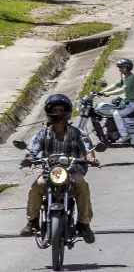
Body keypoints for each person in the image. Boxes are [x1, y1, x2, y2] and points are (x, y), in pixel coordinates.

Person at [20, 94, 98, 243]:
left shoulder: (77, 133)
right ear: (49, 112)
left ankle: (84, 223)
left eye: (61, 109)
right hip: (50, 172)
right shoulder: (43, 133)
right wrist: (29, 158)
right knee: (37, 186)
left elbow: (87, 149)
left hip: (72, 171)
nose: (57, 113)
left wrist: (91, 159)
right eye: (54, 110)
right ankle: (33, 221)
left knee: (82, 185)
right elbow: (33, 150)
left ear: (67, 111)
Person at [101, 59, 134, 144]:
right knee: (112, 107)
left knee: (116, 114)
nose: (120, 69)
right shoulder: (125, 77)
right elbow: (116, 85)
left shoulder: (131, 78)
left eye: (122, 67)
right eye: (119, 67)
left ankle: (124, 135)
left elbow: (123, 90)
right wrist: (103, 91)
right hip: (129, 101)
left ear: (128, 67)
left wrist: (108, 93)